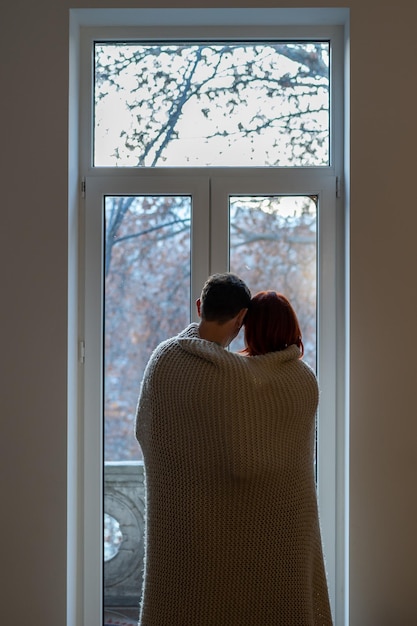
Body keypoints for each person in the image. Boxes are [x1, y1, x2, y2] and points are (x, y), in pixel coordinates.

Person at [135, 278, 332, 625]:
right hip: (278, 542)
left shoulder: (165, 360)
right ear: (242, 318)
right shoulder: (298, 380)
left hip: (185, 533)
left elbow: (145, 432)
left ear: (200, 307)